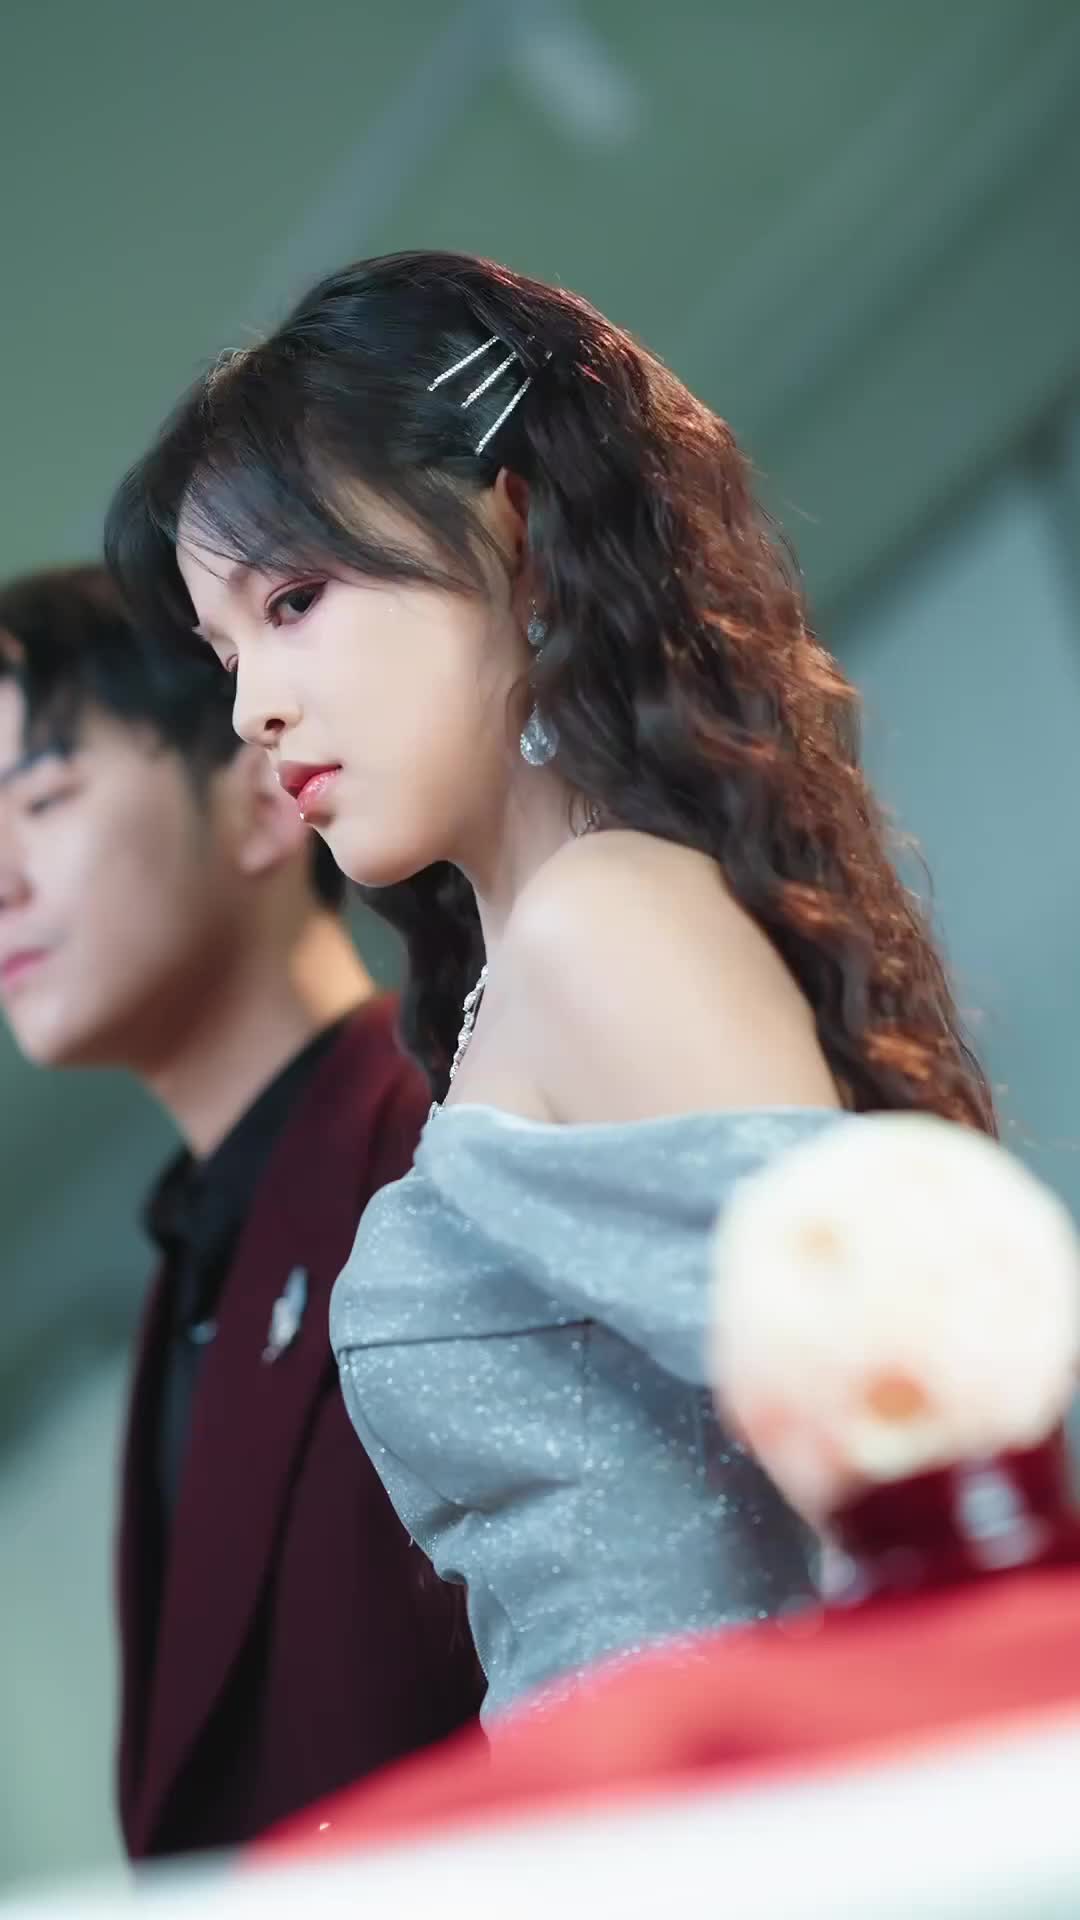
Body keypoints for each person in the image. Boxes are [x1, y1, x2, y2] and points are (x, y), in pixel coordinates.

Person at [105, 248, 996, 1729]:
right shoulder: (525, 964)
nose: (252, 705)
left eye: (297, 600)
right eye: (224, 652)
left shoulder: (604, 922)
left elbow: (926, 1461)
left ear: (512, 534)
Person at [0, 565, 484, 1861]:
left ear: (266, 799)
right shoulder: (196, 1258)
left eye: (42, 800)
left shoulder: (445, 1147)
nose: (1, 876)